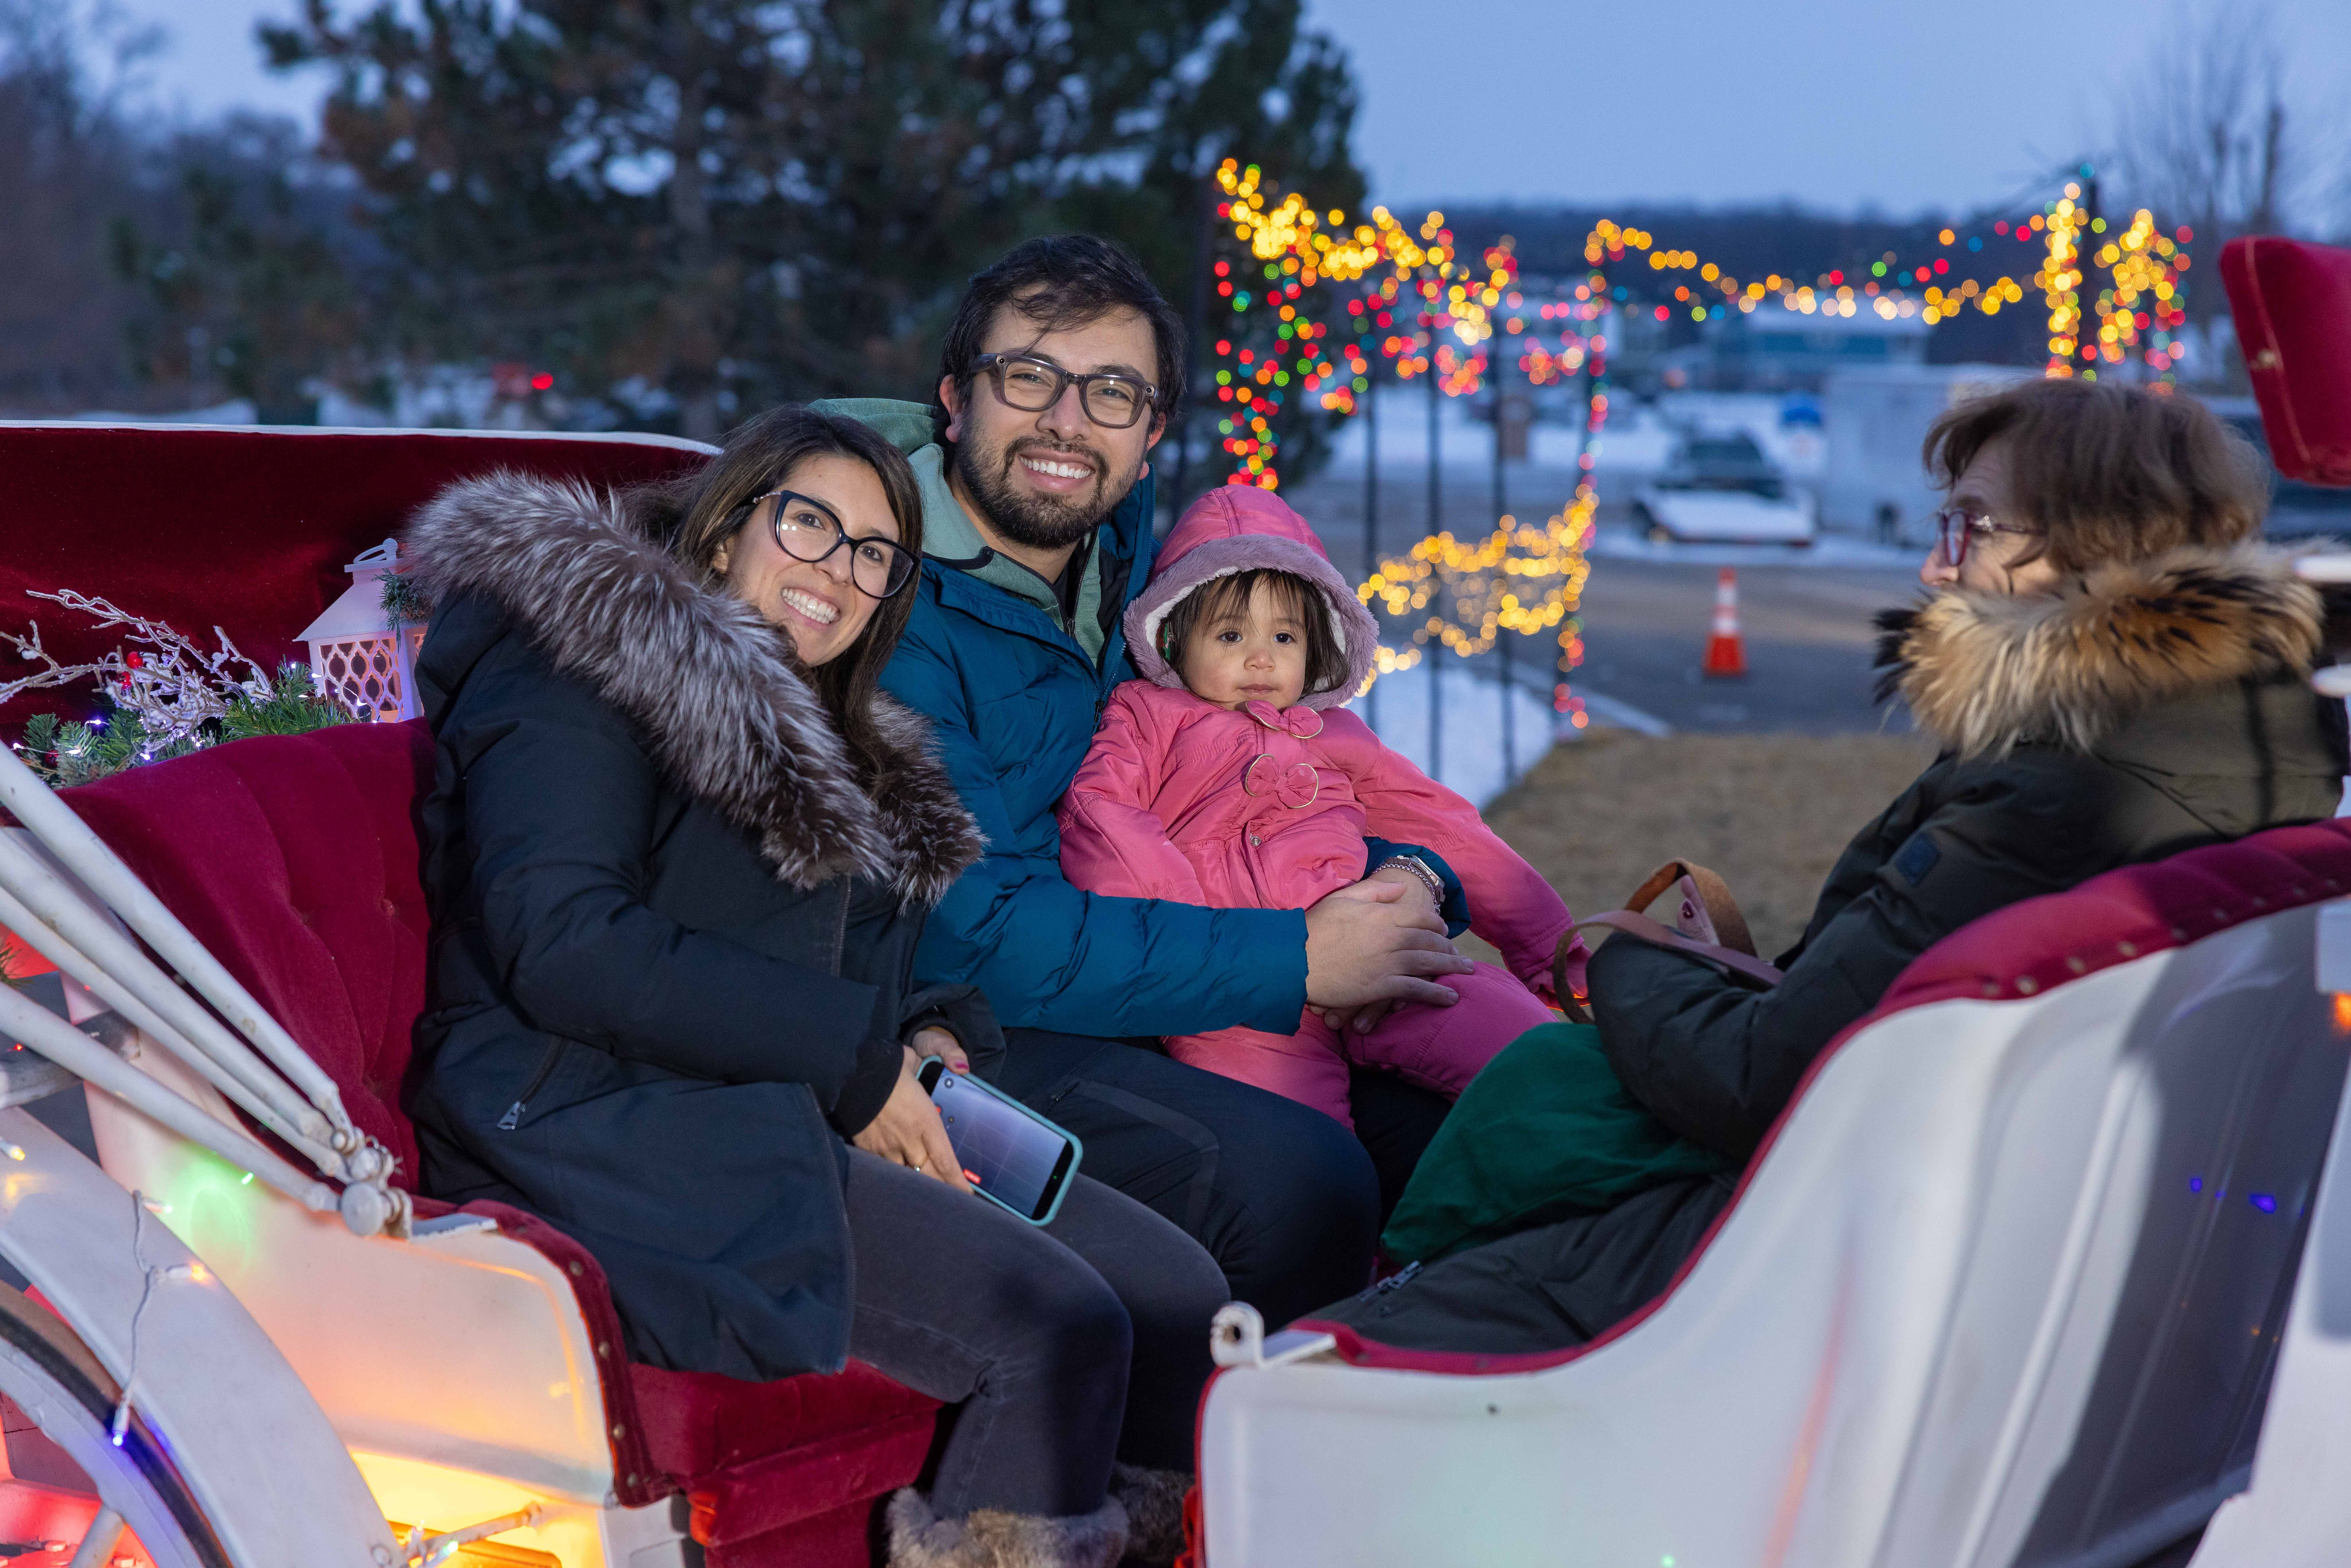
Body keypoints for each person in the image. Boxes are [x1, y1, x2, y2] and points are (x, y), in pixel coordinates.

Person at [1313, 377, 2346, 1354]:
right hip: (2026, 1221)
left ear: (2093, 545)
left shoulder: (2052, 797)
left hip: (1839, 1234)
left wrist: (1632, 958)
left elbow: (1761, 1077)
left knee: (1347, 1327)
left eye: (1975, 526)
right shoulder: (2241, 751)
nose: (1939, 566)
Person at [401, 405, 1227, 1568]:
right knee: (1054, 1325)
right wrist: (849, 1061)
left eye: (872, 553)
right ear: (725, 527)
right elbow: (568, 942)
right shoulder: (572, 675)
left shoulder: (823, 734)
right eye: (808, 524)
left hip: (762, 1088)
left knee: (1175, 1291)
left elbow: (814, 963)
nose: (836, 570)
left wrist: (924, 1030)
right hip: (589, 1113)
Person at [818, 235, 1479, 1326]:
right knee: (1301, 1186)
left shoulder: (1150, 584)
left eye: (1112, 392)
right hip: (962, 1012)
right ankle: (1190, 1476)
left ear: (1152, 426)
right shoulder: (882, 593)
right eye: (1028, 377)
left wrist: (1412, 882)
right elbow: (972, 930)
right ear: (955, 398)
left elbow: (1281, 770)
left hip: (1162, 968)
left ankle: (1420, 1415)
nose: (1067, 422)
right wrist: (1301, 959)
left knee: (1465, 1126)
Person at [1055, 483, 1584, 1125]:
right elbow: (1105, 820)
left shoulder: (1338, 736)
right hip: (1241, 993)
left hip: (1382, 957)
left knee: (1528, 1051)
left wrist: (1554, 950)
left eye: (1285, 636)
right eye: (1229, 634)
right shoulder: (1147, 718)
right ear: (1171, 639)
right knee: (1286, 1150)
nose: (1260, 657)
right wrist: (1219, 949)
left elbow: (1443, 827)